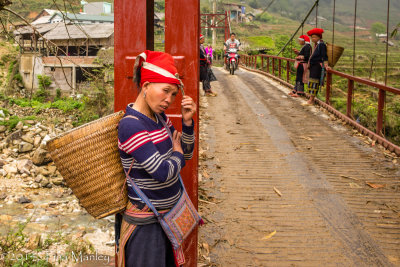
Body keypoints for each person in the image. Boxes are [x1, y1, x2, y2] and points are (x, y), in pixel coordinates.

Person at [116, 50, 197, 267]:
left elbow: (185, 155)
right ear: (145, 86)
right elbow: (162, 172)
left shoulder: (159, 119)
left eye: (173, 94)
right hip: (146, 227)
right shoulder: (131, 125)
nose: (169, 100)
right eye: (165, 91)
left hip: (166, 220)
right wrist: (176, 153)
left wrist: (187, 124)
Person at [306, 28, 330, 105]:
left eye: (315, 37)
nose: (313, 39)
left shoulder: (321, 45)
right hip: (314, 67)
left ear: (319, 37)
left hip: (317, 67)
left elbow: (324, 56)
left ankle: (311, 99)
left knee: (314, 82)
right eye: (312, 37)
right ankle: (311, 98)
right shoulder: (317, 45)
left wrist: (326, 65)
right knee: (312, 81)